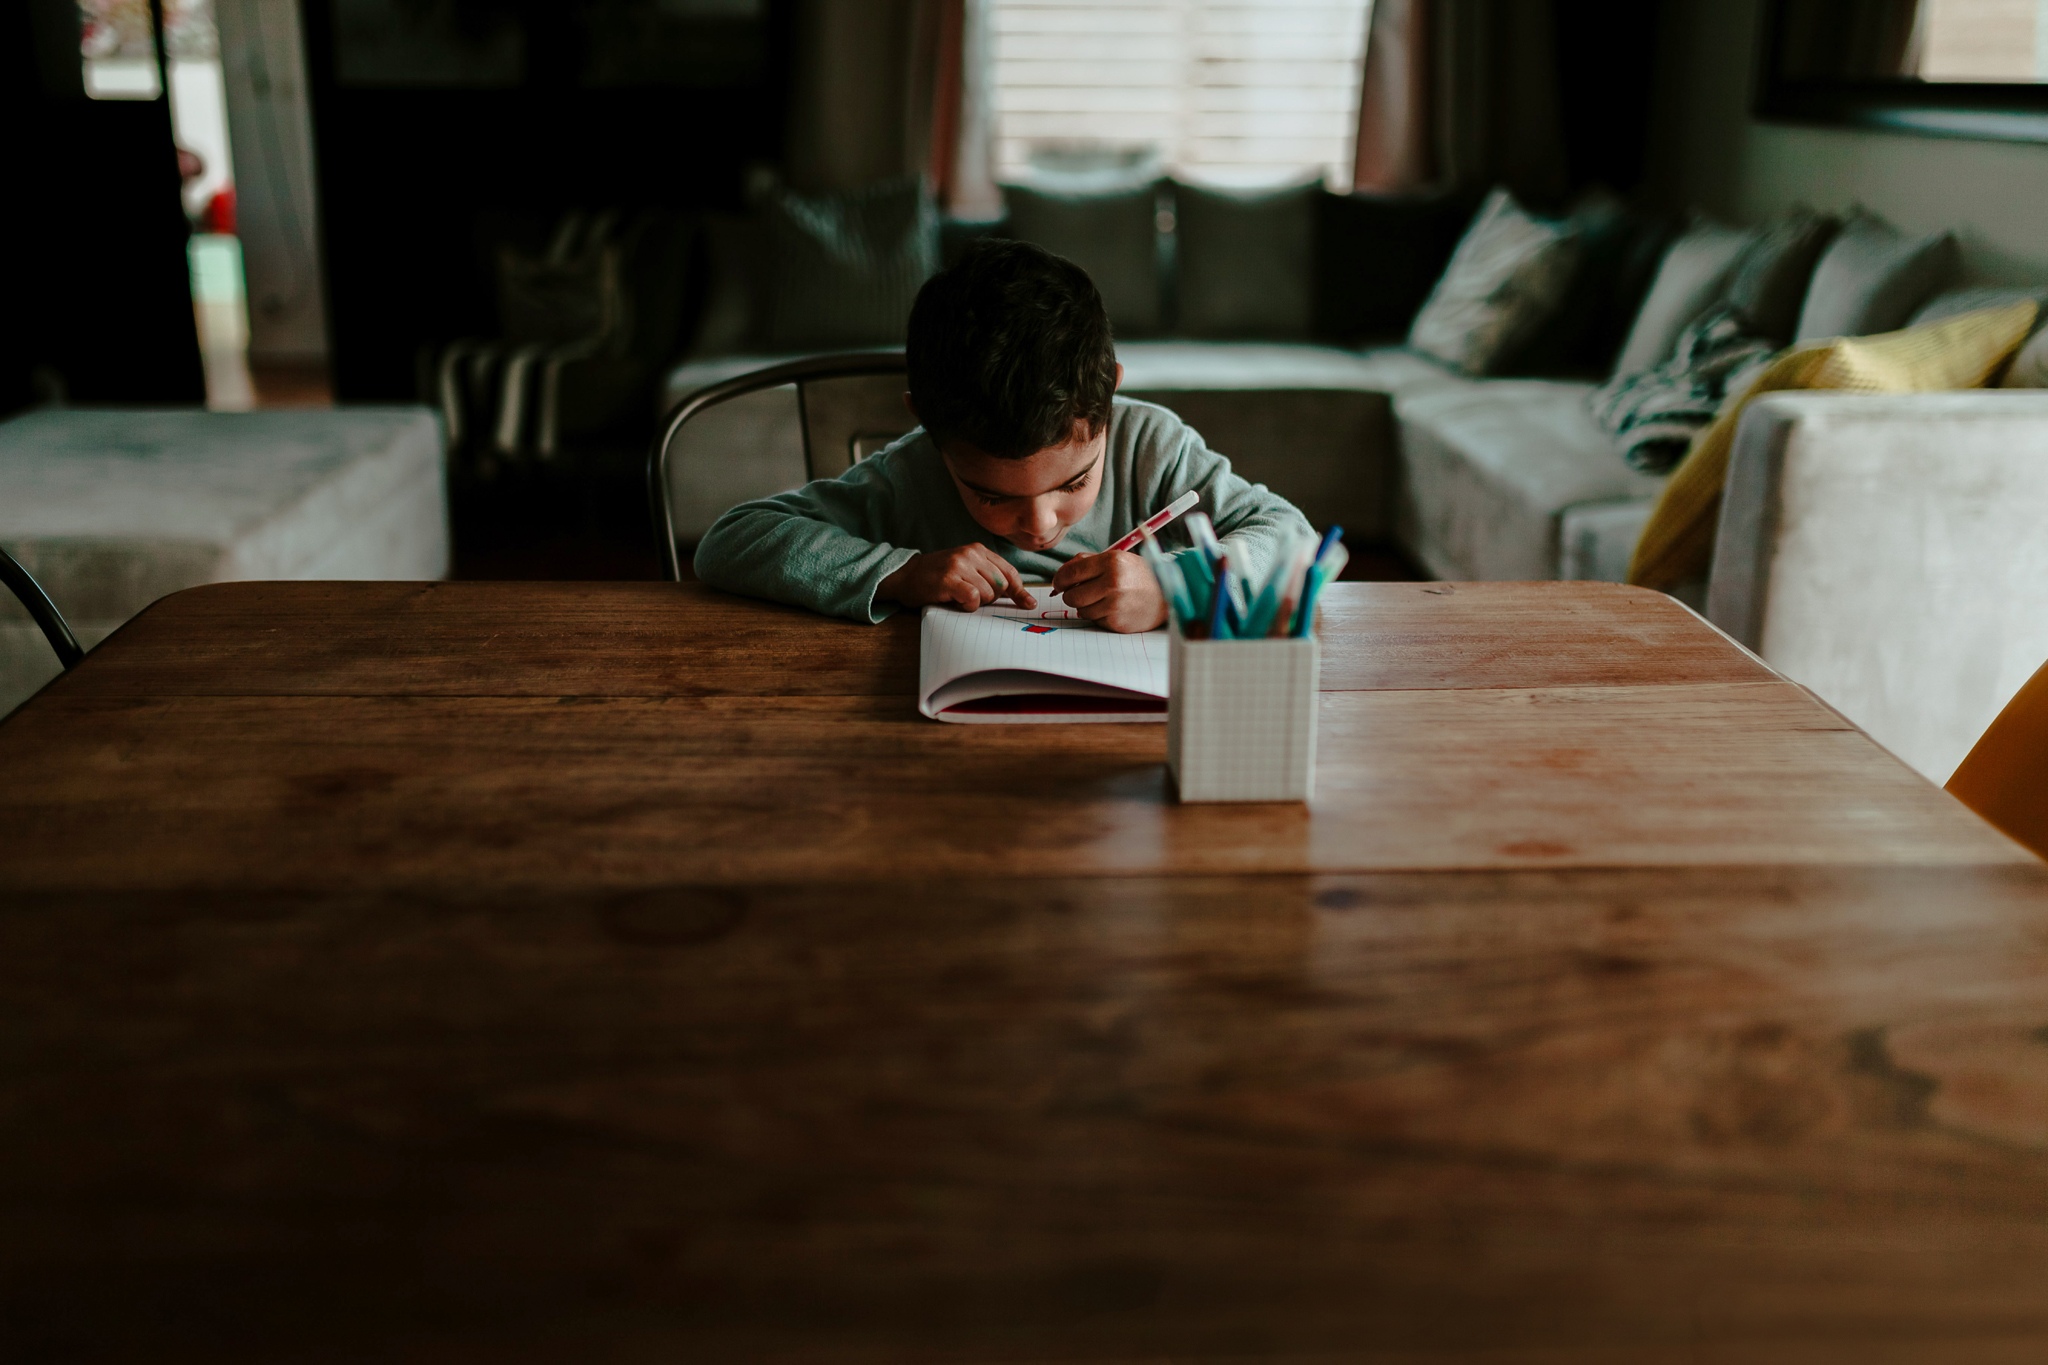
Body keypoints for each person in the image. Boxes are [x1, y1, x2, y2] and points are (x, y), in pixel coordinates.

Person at [692, 239, 1314, 633]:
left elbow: (1293, 538)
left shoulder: (1154, 449)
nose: (1040, 526)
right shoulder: (913, 473)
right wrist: (900, 573)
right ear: (927, 427)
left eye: (1074, 481)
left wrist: (1176, 587)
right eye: (991, 496)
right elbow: (731, 541)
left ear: (1109, 399)